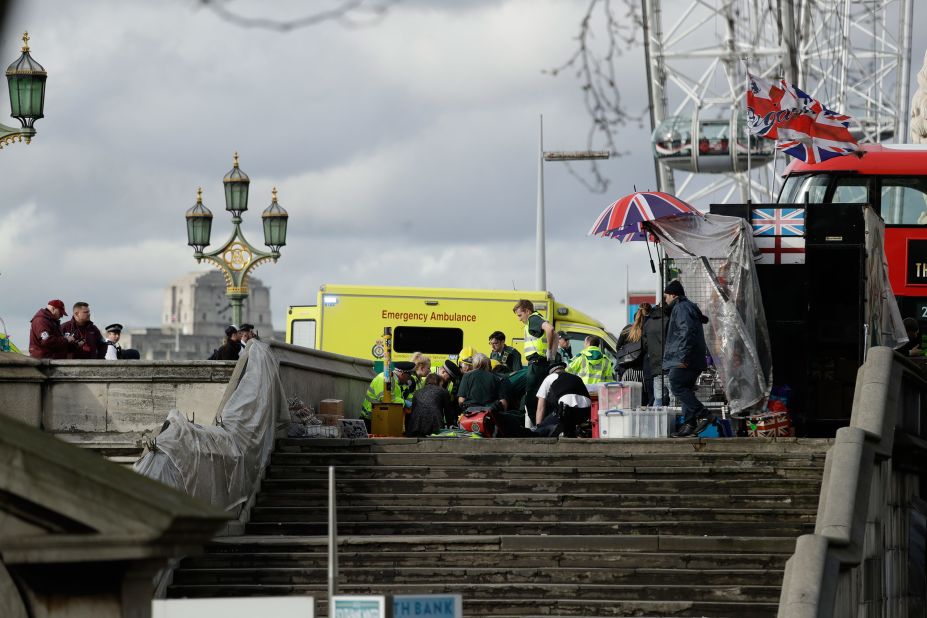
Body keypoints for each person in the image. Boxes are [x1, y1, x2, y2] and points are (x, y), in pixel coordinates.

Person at [662, 280, 712, 438]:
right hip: (691, 358)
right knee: (686, 389)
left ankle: (704, 414)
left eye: (666, 296)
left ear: (673, 295)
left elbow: (687, 331)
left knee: (676, 384)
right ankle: (689, 424)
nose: (665, 300)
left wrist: (683, 357)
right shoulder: (683, 307)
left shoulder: (681, 307)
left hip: (685, 358)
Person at [513, 299, 555, 423]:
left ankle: (539, 429)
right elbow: (556, 335)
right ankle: (543, 425)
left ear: (527, 311)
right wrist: (551, 353)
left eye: (520, 315)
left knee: (530, 400)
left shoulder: (533, 319)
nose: (519, 319)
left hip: (537, 364)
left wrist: (549, 350)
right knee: (540, 398)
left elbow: (550, 329)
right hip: (540, 364)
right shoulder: (536, 319)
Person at [533, 361, 591, 437]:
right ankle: (573, 431)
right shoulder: (577, 378)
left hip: (566, 411)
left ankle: (557, 428)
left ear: (551, 372)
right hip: (585, 412)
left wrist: (538, 426)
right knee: (571, 427)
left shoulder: (550, 377)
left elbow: (541, 406)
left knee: (543, 429)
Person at [362, 361, 416, 430]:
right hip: (371, 419)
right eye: (410, 375)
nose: (409, 378)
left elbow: (405, 396)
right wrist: (404, 402)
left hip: (382, 418)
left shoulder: (398, 382)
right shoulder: (385, 379)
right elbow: (385, 398)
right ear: (403, 373)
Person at [406, 373, 454, 437]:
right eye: (441, 384)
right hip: (435, 424)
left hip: (416, 425)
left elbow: (413, 410)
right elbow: (448, 411)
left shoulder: (417, 392)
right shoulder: (443, 391)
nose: (442, 386)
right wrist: (450, 426)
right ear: (438, 382)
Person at [642, 303, 669, 405]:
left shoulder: (648, 323)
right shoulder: (668, 320)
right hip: (669, 365)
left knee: (658, 398)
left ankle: (657, 419)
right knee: (673, 398)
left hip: (655, 365)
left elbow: (645, 343)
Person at [616, 304, 649, 382]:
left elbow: (618, 347)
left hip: (626, 370)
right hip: (643, 371)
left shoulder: (626, 329)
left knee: (628, 393)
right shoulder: (647, 330)